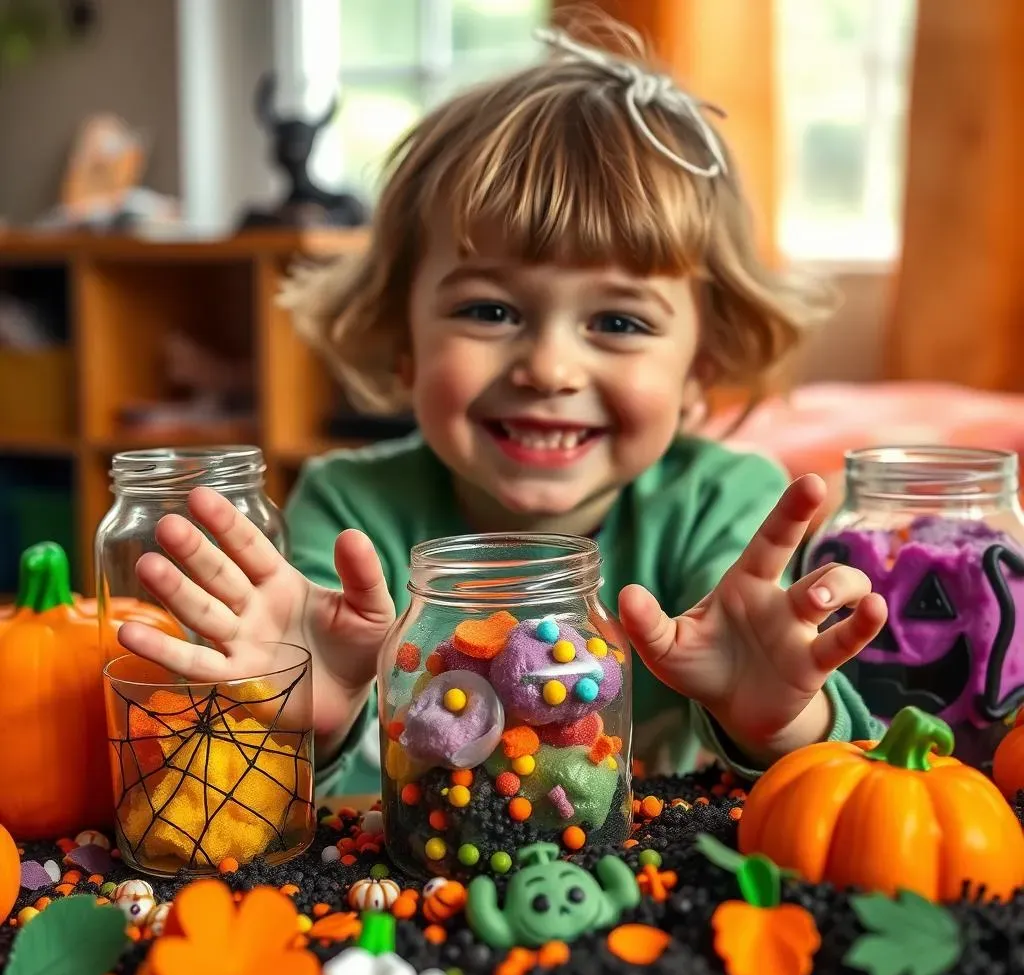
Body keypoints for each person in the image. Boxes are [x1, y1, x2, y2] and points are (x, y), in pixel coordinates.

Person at [117, 20, 887, 794]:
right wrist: (314, 715)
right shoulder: (350, 511)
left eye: (618, 323)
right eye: (489, 312)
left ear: (700, 369)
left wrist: (781, 721)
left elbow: (827, 779)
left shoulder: (727, 506)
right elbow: (281, 789)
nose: (549, 369)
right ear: (403, 340)